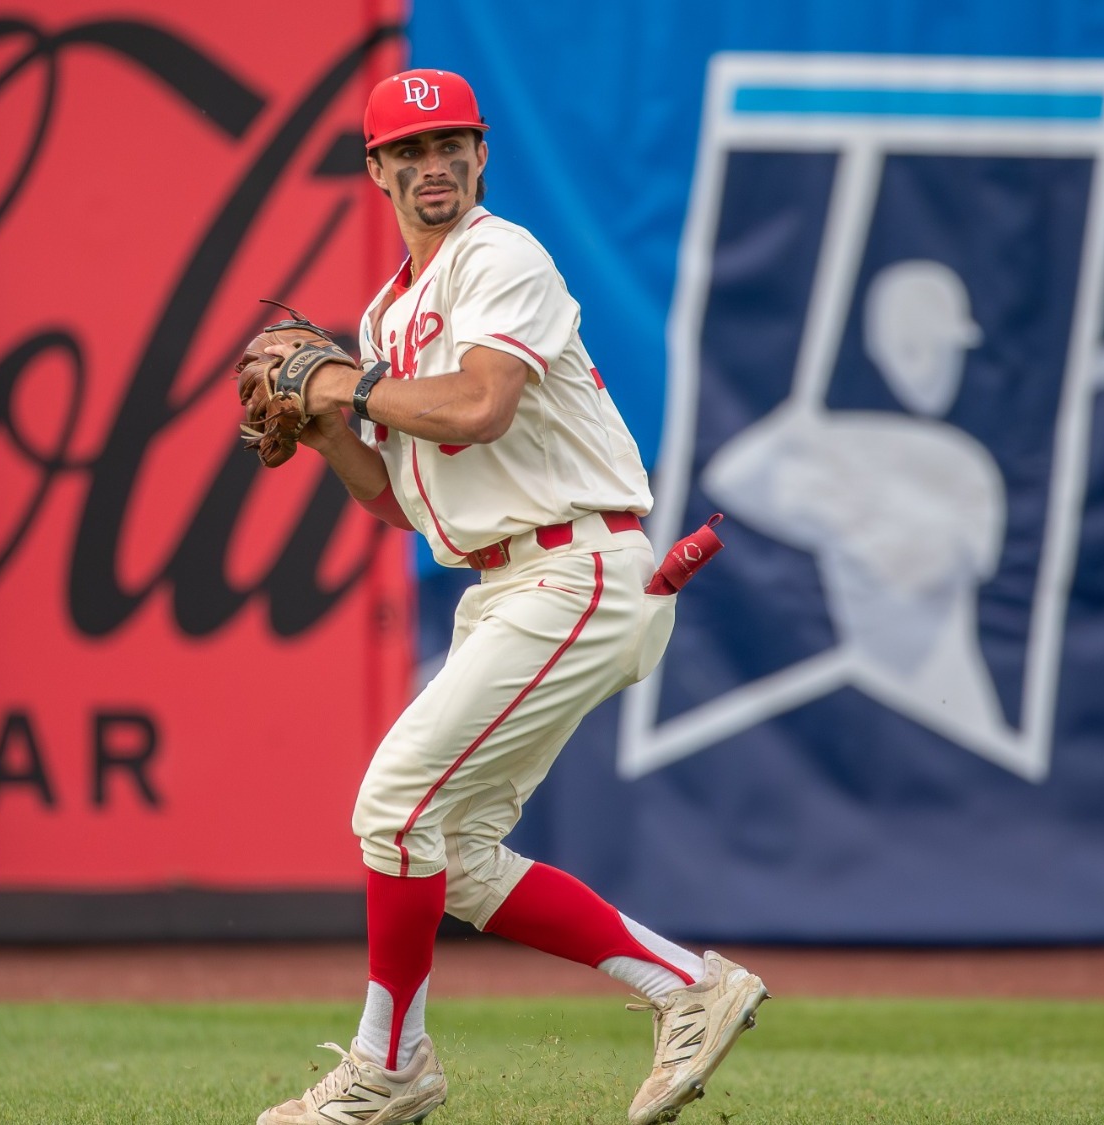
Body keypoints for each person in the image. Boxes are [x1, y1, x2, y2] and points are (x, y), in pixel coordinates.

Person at [254, 69, 768, 1125]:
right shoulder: (388, 312)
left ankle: (389, 1065)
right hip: (510, 582)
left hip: (576, 567)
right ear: (375, 171)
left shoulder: (500, 255)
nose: (431, 165)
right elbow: (403, 500)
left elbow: (481, 407)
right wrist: (326, 431)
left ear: (481, 155)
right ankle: (688, 985)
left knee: (392, 804)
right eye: (407, 151)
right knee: (451, 852)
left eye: (449, 144)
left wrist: (344, 384)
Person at [702, 259, 1011, 759]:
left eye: (945, 352)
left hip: (951, 709)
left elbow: (925, 571)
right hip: (861, 715)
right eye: (916, 350)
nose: (933, 369)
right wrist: (783, 430)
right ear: (880, 347)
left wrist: (854, 505)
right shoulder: (836, 443)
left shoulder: (964, 463)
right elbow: (728, 481)